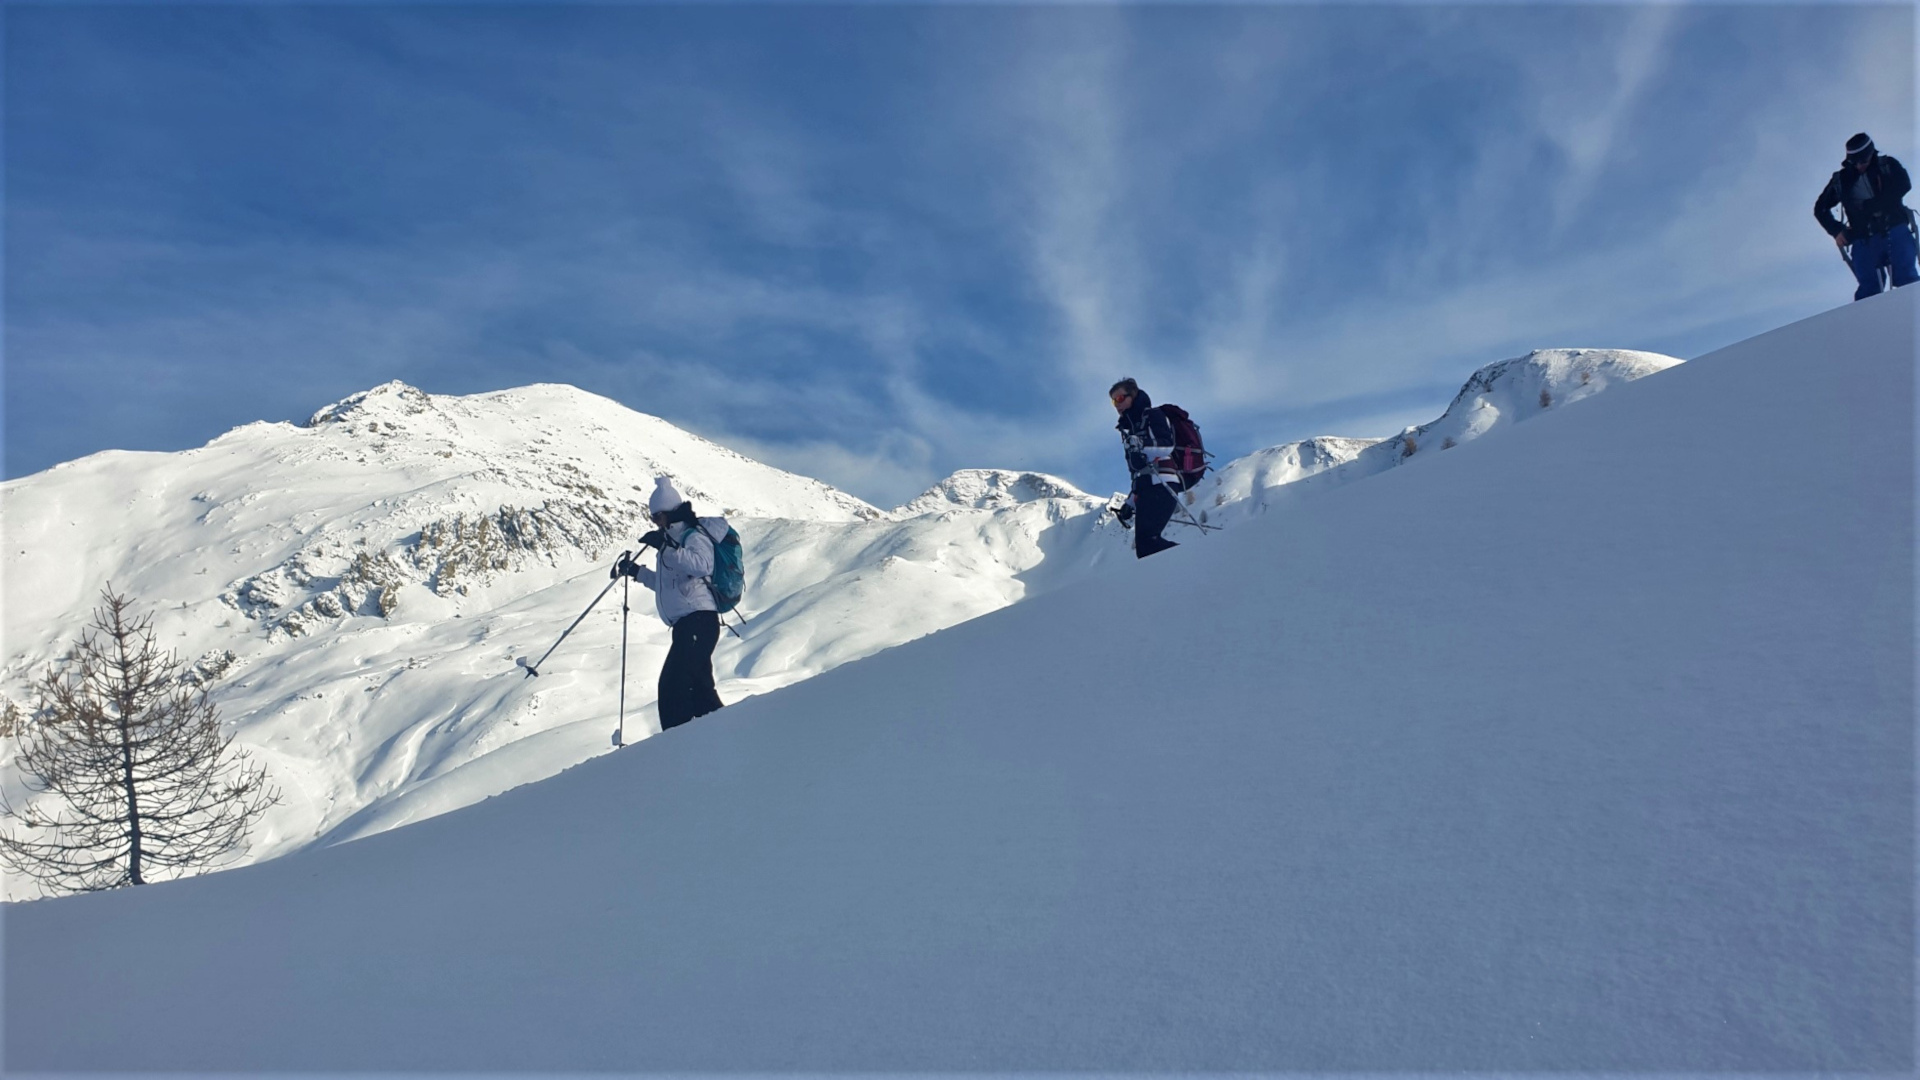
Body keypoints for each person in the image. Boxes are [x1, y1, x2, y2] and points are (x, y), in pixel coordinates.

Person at [613, 477, 724, 730]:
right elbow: (667, 585)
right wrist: (636, 572)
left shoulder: (692, 535)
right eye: (653, 518)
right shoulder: (670, 543)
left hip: (699, 620)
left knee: (673, 685)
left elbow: (702, 565)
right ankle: (715, 733)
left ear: (670, 512)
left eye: (658, 516)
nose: (655, 522)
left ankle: (677, 744)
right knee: (698, 687)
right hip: (689, 624)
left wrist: (667, 547)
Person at [1815, 132, 1917, 301]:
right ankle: (1868, 324)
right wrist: (1836, 230)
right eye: (1854, 162)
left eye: (1863, 160)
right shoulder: (1841, 180)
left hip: (1895, 228)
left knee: (1908, 281)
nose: (1859, 166)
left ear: (1872, 153)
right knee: (1868, 291)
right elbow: (1820, 208)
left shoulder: (1888, 165)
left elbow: (1904, 185)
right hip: (1863, 239)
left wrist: (1873, 204)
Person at [1108, 377, 1181, 559]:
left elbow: (1167, 445)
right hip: (1147, 487)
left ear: (1133, 396)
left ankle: (1190, 559)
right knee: (1145, 546)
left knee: (1147, 542)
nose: (1116, 405)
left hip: (1163, 483)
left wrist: (1140, 443)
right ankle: (1173, 575)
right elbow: (1138, 473)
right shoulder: (1129, 431)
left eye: (1120, 398)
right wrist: (1129, 504)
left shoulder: (1154, 415)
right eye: (1113, 401)